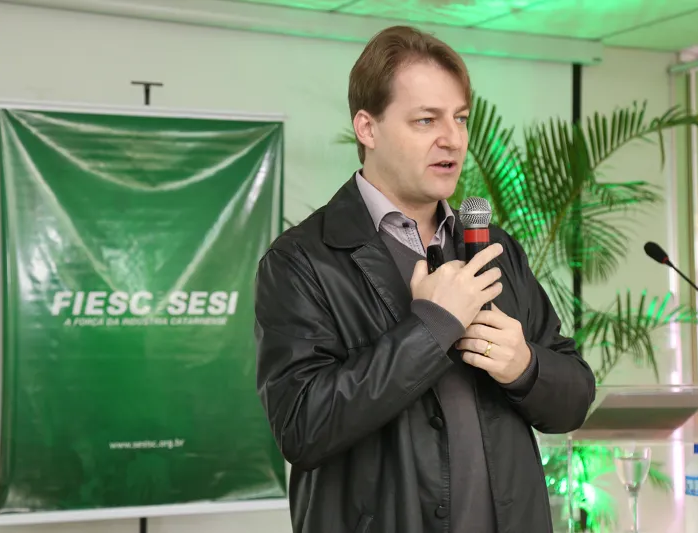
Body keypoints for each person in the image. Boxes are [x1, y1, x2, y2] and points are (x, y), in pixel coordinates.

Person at [254, 25, 596, 533]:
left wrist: (524, 367)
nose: (453, 139)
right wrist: (432, 327)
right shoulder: (301, 260)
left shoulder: (493, 245)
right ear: (367, 129)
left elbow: (576, 396)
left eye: (460, 119)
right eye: (426, 120)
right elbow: (302, 427)